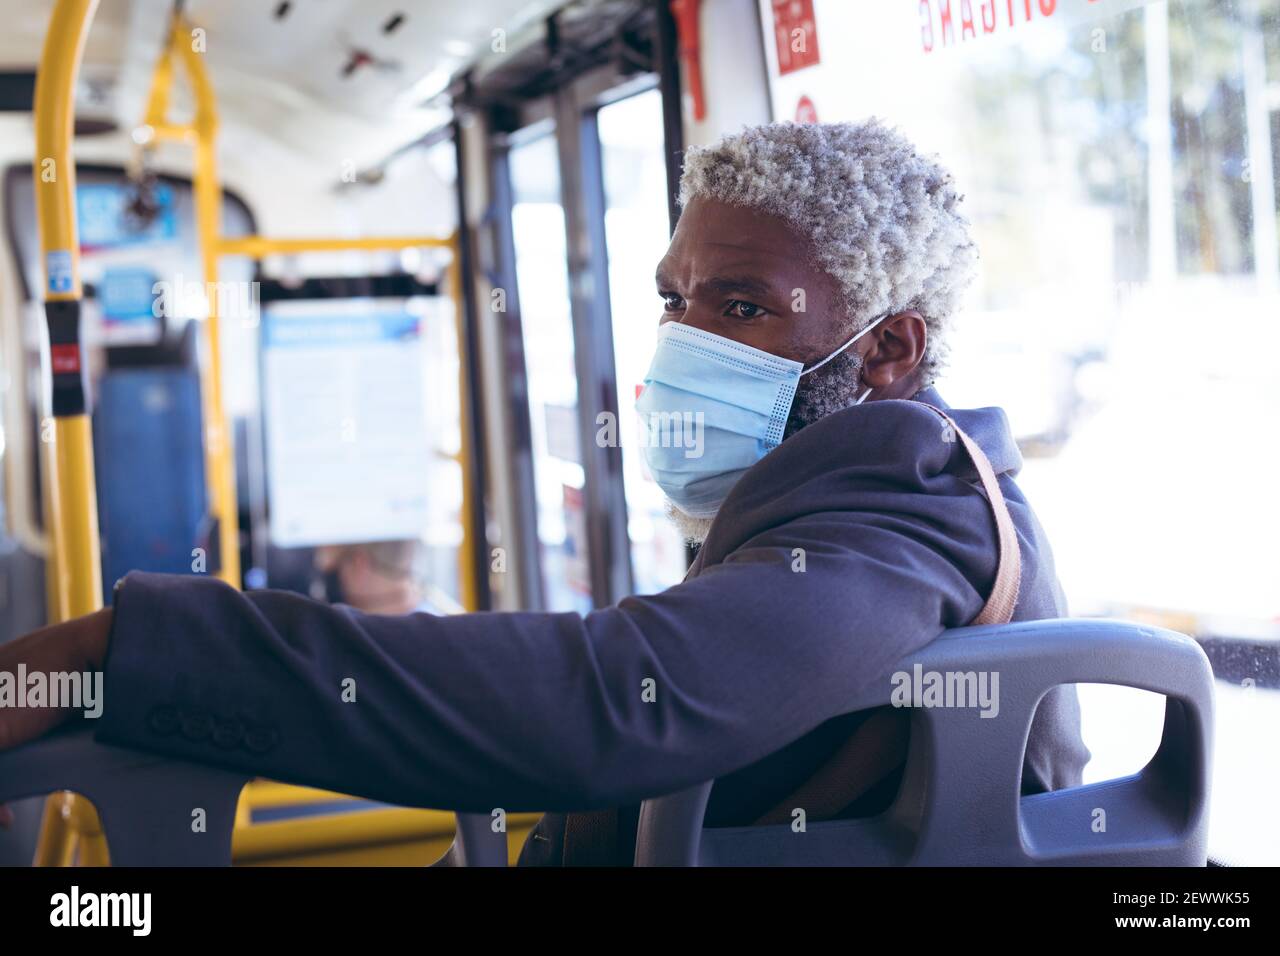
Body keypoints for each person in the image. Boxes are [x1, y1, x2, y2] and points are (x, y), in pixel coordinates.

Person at [0, 119, 1089, 864]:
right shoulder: (866, 490)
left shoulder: (895, 520)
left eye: (742, 307)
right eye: (675, 298)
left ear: (889, 347)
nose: (682, 339)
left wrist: (128, 647)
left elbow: (616, 702)